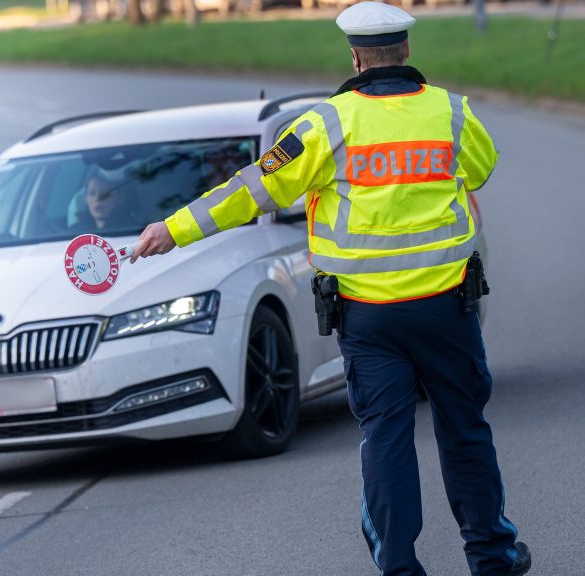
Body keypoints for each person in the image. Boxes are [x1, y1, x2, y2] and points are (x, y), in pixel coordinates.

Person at [130, 3, 531, 575]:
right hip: (448, 309)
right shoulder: (451, 112)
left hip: (370, 321)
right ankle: (492, 558)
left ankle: (399, 567)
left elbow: (249, 191)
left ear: (355, 56)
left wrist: (173, 229)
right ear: (406, 52)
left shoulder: (325, 126)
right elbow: (482, 168)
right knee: (465, 430)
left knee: (386, 441)